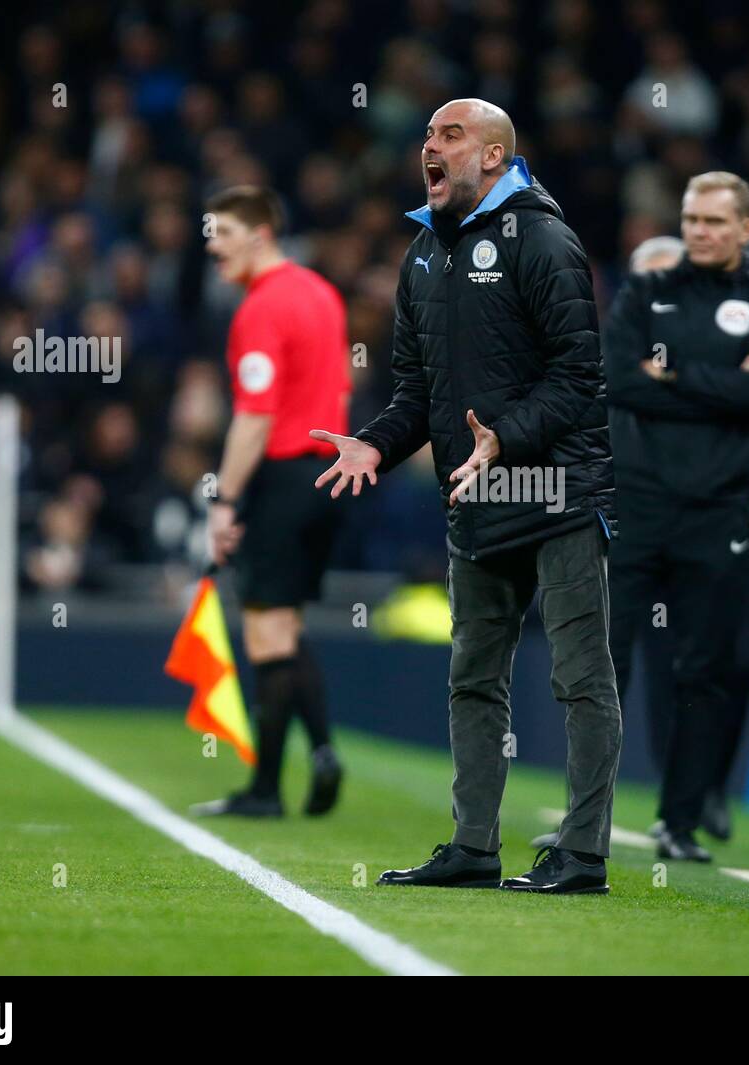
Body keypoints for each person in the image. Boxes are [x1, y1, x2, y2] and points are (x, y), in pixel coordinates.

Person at [311, 99, 621, 895]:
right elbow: (416, 390)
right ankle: (473, 845)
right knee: (473, 676)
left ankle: (583, 853)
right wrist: (376, 443)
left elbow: (580, 375)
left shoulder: (544, 239)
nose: (429, 147)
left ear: (492, 156)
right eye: (426, 136)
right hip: (475, 496)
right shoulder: (423, 254)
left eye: (449, 135)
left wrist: (502, 439)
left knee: (579, 675)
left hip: (552, 490)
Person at [603, 171, 749, 861]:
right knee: (602, 660)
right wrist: (722, 385)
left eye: (715, 221)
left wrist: (674, 377)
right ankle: (584, 818)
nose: (700, 232)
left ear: (747, 229)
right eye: (691, 219)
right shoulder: (644, 291)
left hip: (719, 512)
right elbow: (620, 379)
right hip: (636, 504)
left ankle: (679, 820)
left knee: (706, 670)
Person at [190, 185, 350, 819]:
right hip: (329, 479)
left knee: (265, 633)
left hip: (282, 479)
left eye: (223, 232)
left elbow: (255, 418)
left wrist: (223, 499)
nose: (211, 245)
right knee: (286, 629)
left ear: (259, 234)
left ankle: (263, 792)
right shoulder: (321, 293)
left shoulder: (259, 309)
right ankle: (324, 752)